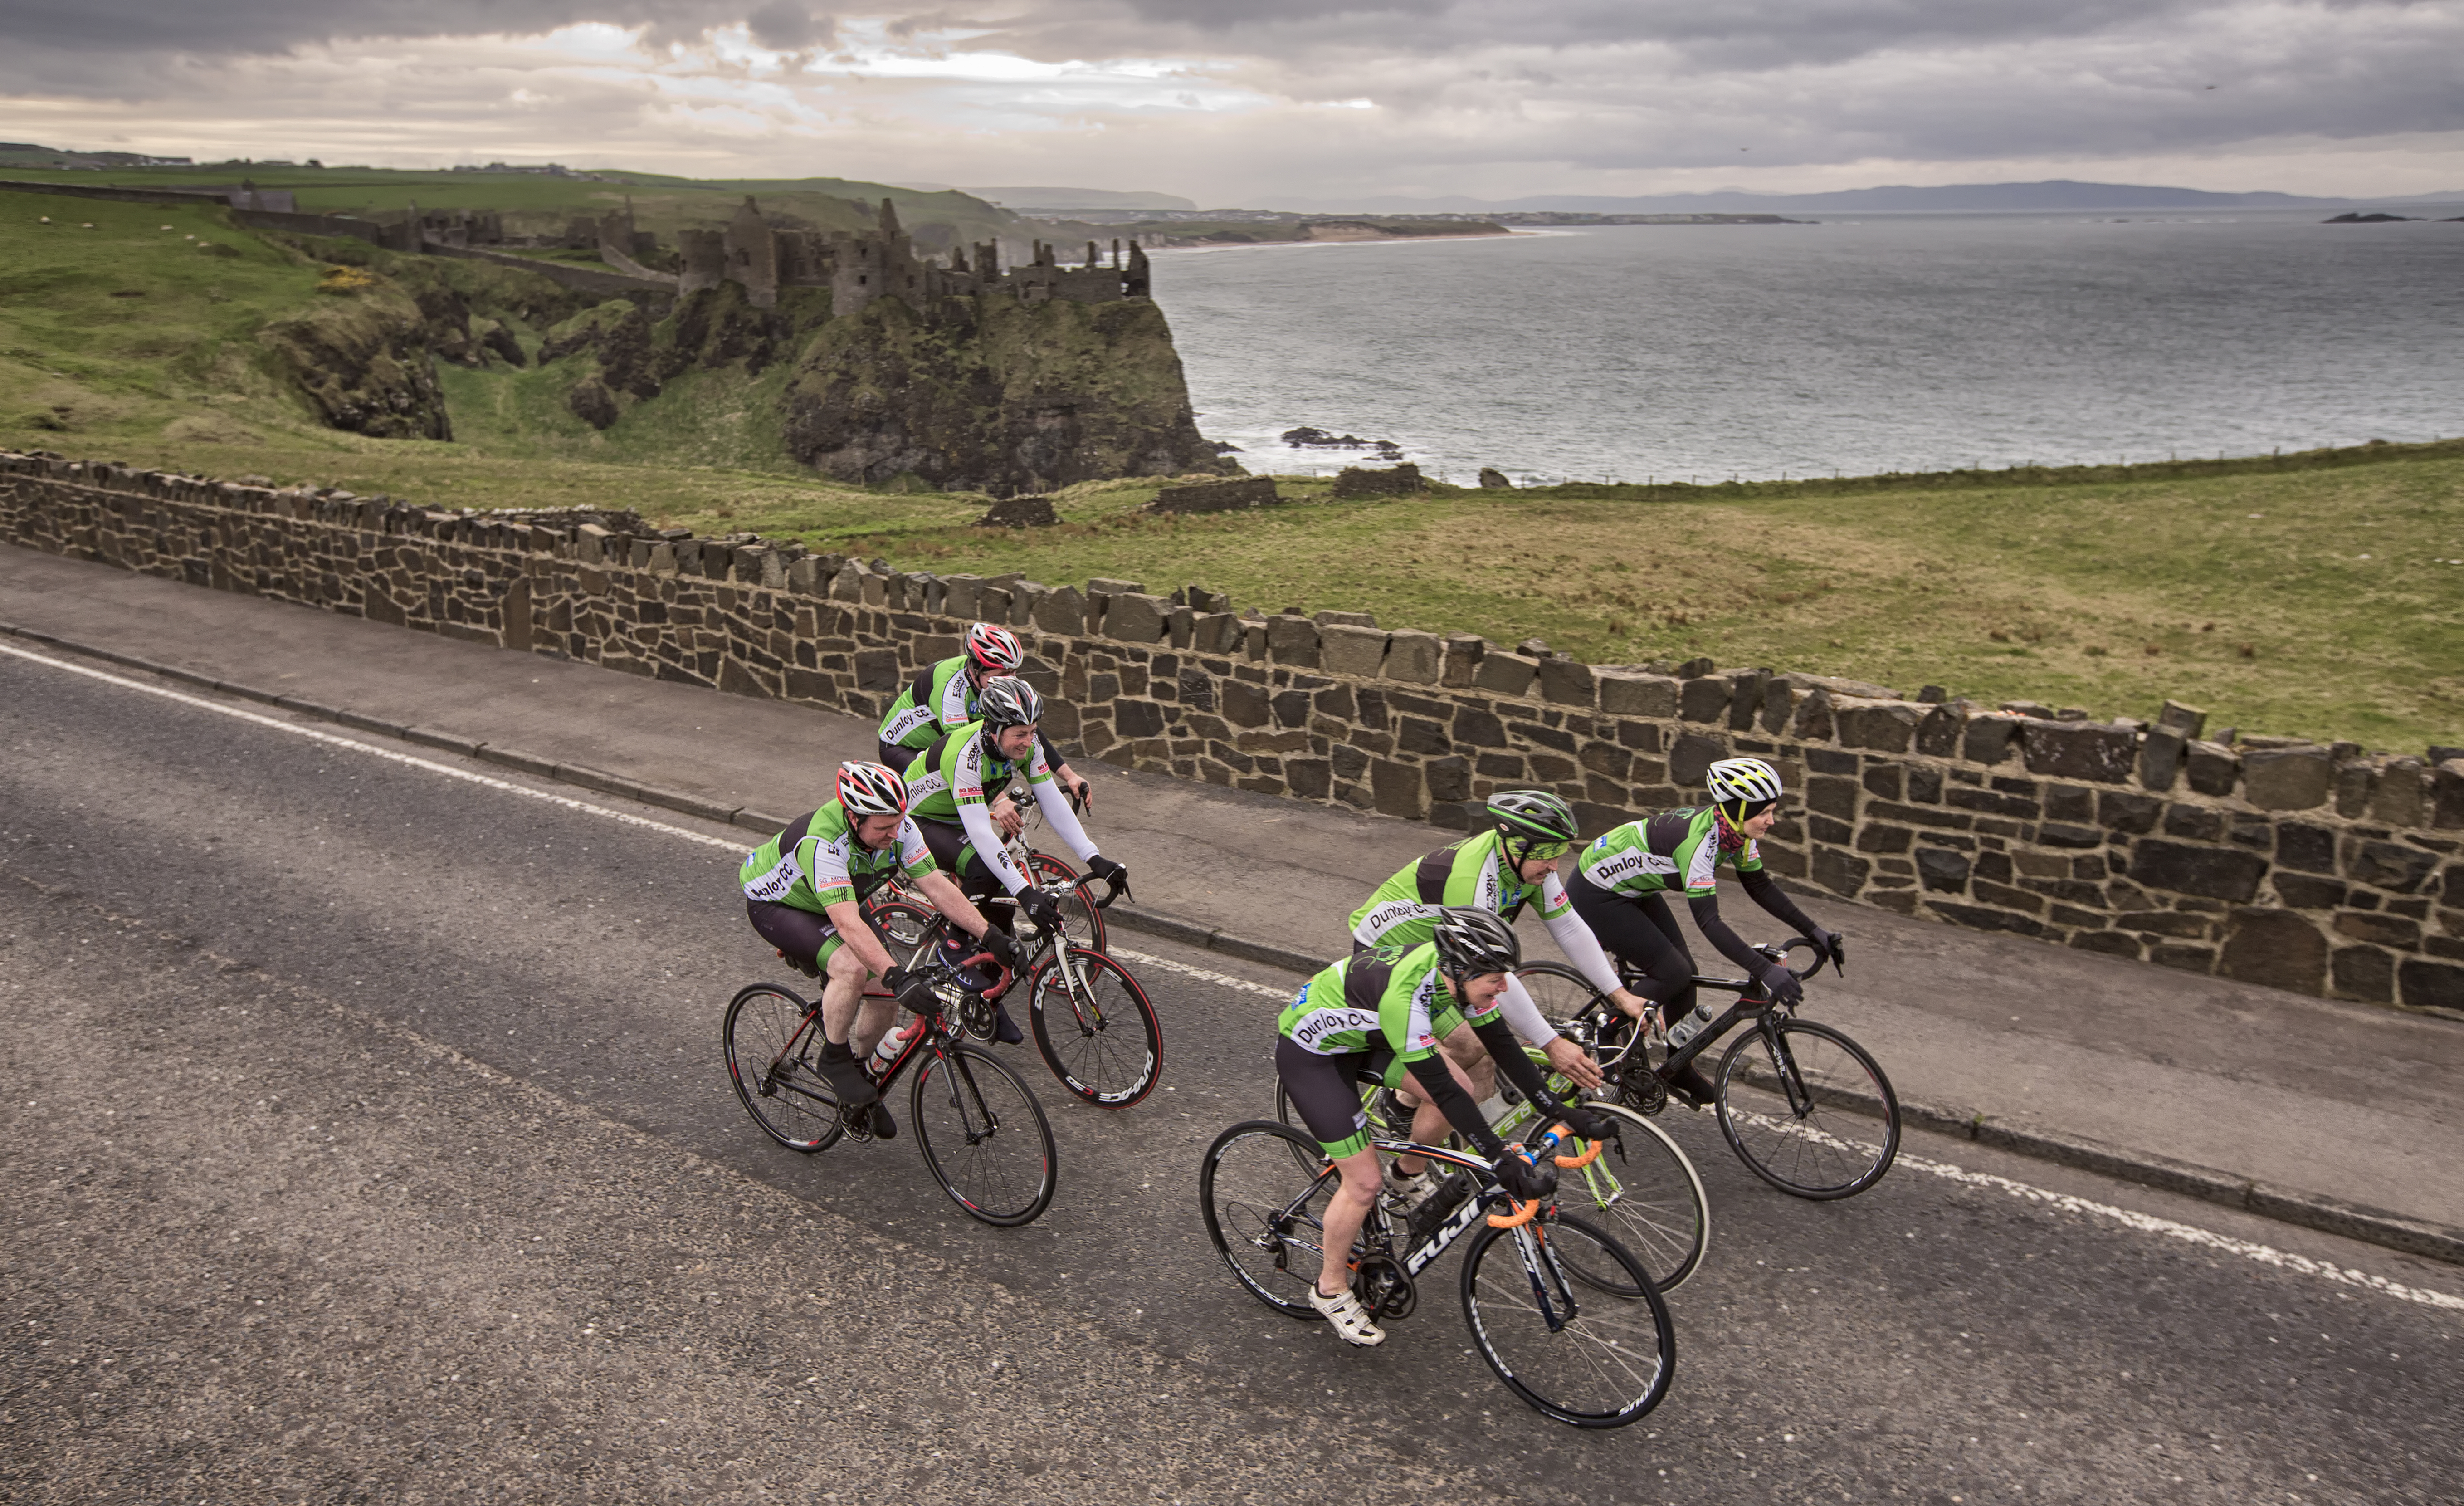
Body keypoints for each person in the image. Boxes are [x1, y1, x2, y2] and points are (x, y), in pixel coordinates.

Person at [1276, 907, 1610, 1347]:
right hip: (1313, 1053)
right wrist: (1498, 1156)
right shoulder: (1407, 1000)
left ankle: (1408, 1173)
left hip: (1368, 1036)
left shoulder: (1461, 978)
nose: (1504, 986)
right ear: (1460, 968)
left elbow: (1506, 1048)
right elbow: (1445, 1093)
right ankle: (1330, 1288)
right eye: (1495, 977)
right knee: (1362, 1182)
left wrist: (1562, 1112)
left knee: (1463, 1084)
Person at [1345, 789, 1649, 1215]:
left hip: (1440, 951)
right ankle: (1404, 1126)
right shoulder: (1474, 879)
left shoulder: (1528, 865)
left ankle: (1477, 1173)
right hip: (1389, 953)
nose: (1554, 864)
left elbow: (1568, 928)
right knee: (1472, 1048)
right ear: (1515, 844)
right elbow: (1492, 977)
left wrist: (1620, 994)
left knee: (1484, 1058)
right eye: (1546, 853)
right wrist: (1549, 1043)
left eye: (1559, 852)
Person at [739, 761, 1022, 1137]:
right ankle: (834, 1059)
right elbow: (847, 925)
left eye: (898, 823)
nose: (895, 833)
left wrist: (989, 936)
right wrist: (896, 976)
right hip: (782, 906)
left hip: (838, 901)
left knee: (887, 996)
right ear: (854, 819)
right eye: (884, 828)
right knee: (854, 969)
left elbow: (936, 886)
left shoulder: (899, 827)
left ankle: (860, 1082)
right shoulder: (822, 843)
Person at [1569, 757, 1846, 1105]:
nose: (1771, 821)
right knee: (1673, 971)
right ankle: (1606, 1029)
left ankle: (1679, 1066)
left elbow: (1759, 886)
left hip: (1633, 890)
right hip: (1596, 891)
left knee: (1686, 974)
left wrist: (1815, 931)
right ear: (1739, 809)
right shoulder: (1701, 843)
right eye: (1765, 813)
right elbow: (1709, 922)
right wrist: (1763, 971)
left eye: (1773, 811)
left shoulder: (1735, 833)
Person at [901, 675, 1127, 1043]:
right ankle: (953, 950)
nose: (1028, 741)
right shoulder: (966, 754)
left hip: (958, 813)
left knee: (1000, 910)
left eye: (1033, 731)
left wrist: (1094, 858)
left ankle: (986, 1001)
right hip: (919, 819)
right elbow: (979, 834)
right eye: (1019, 734)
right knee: (981, 867)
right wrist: (1027, 893)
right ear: (993, 730)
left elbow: (1052, 801)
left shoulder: (1027, 744)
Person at [876, 621, 1090, 809]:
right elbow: (961, 749)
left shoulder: (990, 684)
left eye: (1015, 672)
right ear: (978, 669)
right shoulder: (950, 686)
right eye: (1004, 674)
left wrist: (1070, 777)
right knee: (949, 806)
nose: (1011, 680)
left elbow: (1028, 730)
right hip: (903, 749)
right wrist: (1000, 801)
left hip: (937, 747)